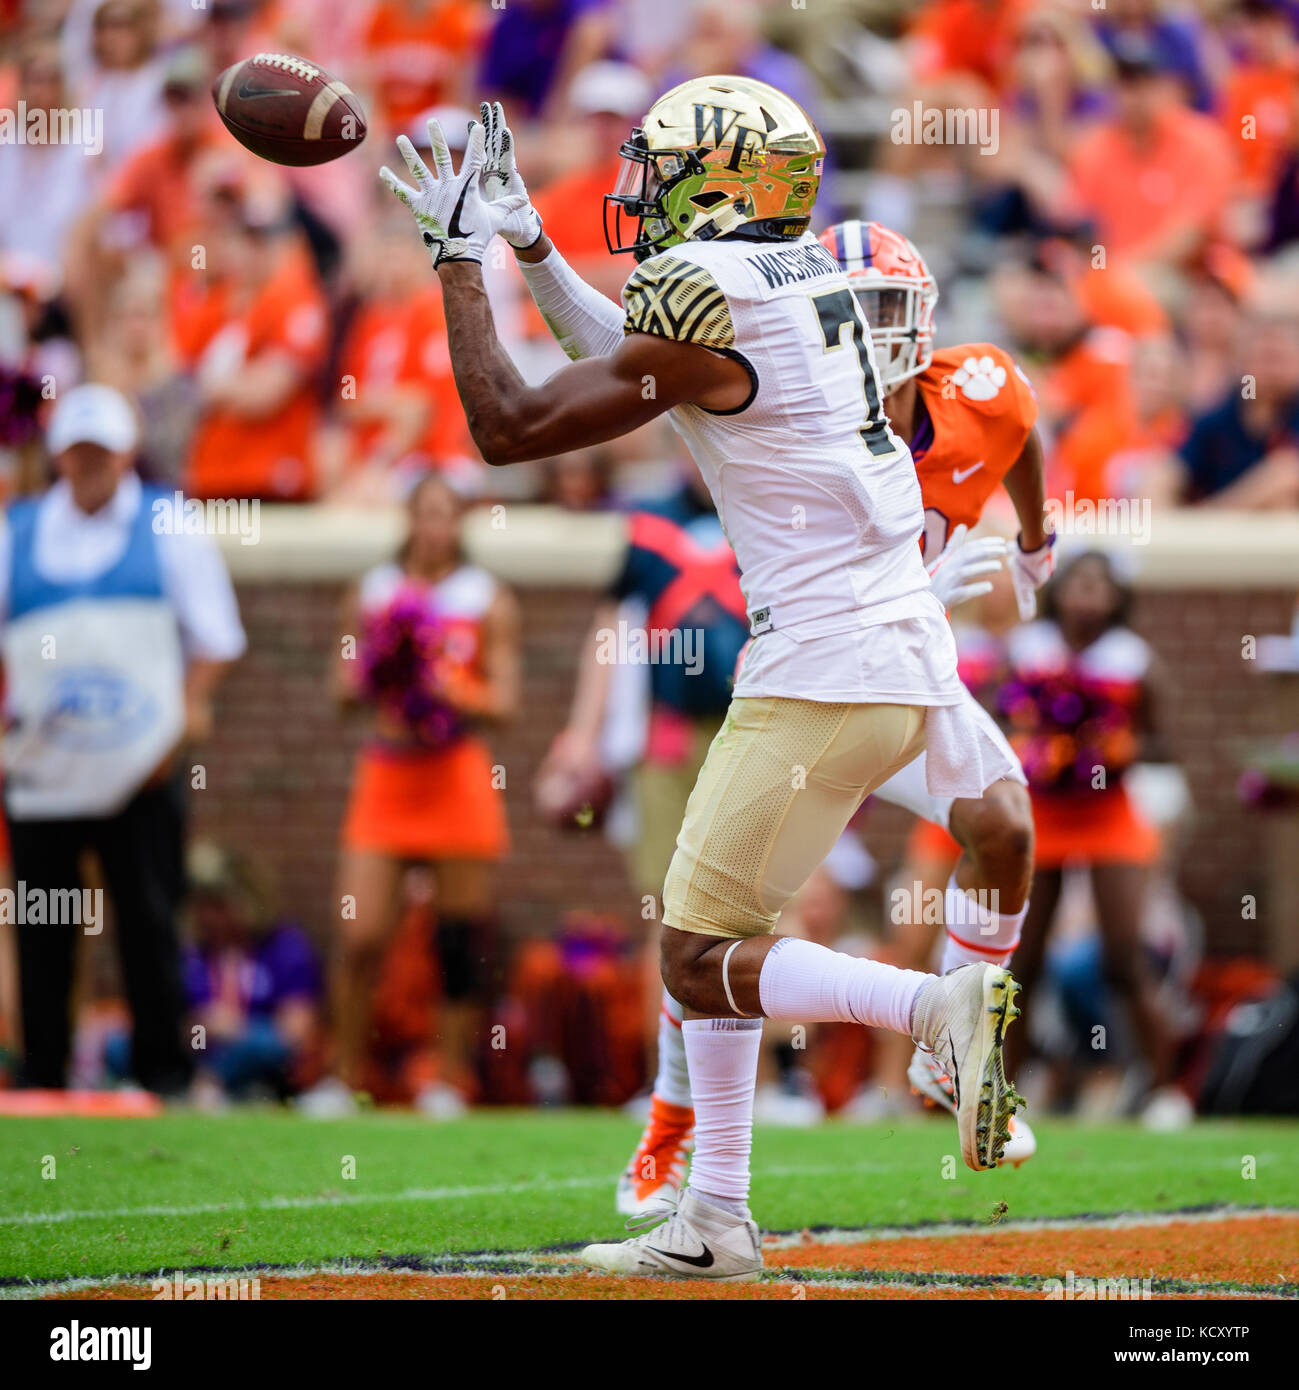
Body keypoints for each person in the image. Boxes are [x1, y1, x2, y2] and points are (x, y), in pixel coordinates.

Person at [380, 80, 1024, 1282]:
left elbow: (510, 423)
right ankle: (713, 1221)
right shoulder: (798, 281)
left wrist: (459, 262)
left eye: (660, 168)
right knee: (718, 940)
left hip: (821, 666)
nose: (639, 191)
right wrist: (526, 240)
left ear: (726, 182)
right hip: (889, 657)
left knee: (687, 961)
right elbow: (631, 364)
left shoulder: (715, 293)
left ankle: (931, 1013)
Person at [818, 220, 1051, 1163]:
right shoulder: (792, 419)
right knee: (726, 927)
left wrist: (1036, 541)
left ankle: (955, 1055)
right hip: (807, 677)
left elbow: (1021, 423)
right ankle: (678, 1114)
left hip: (904, 671)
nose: (871, 335)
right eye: (851, 315)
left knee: (1004, 826)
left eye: (886, 312)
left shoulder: (976, 391)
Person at [0, 383, 245, 1092]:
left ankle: (159, 1075)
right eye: (78, 452)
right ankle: (45, 1077)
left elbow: (216, 640)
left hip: (145, 765)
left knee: (147, 920)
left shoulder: (170, 523)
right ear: (59, 457)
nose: (91, 465)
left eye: (101, 451)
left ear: (126, 452)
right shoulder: (17, 532)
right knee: (45, 925)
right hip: (45, 769)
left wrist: (179, 720)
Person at [299, 473, 520, 1117]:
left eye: (446, 514)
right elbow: (341, 690)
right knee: (361, 933)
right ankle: (343, 1077)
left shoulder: (487, 599)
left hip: (455, 772)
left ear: (462, 522)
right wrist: (377, 666)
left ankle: (447, 1079)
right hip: (388, 773)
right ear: (409, 518)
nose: (434, 527)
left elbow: (504, 700)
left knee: (456, 938)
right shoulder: (371, 593)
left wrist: (451, 689)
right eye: (424, 513)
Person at [998, 551, 1187, 1128]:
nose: (1086, 596)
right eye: (1077, 583)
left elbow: (1163, 744)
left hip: (1109, 815)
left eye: (1099, 586)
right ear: (1057, 591)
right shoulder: (1027, 649)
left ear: (1117, 598)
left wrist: (1107, 751)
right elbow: (998, 722)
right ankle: (1002, 1091)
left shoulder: (1132, 661)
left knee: (1124, 956)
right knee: (1022, 959)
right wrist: (1041, 750)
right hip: (1044, 815)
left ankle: (1166, 1090)